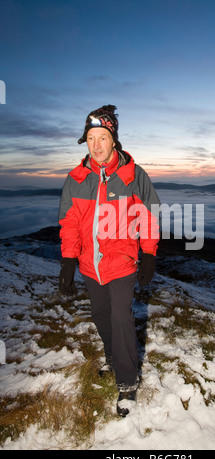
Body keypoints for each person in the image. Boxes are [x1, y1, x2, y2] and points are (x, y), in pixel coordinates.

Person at [58, 105, 160, 417]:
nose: (97, 144)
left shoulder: (133, 175)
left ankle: (127, 383)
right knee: (101, 315)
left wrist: (150, 254)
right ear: (85, 141)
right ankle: (113, 356)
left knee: (120, 317)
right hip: (91, 265)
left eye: (103, 137)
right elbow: (70, 223)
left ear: (113, 140)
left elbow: (149, 215)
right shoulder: (76, 178)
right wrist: (67, 262)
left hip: (123, 262)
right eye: (91, 138)